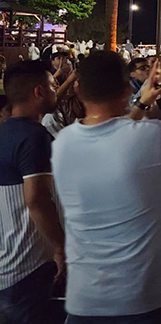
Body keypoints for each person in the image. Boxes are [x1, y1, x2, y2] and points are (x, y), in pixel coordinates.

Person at [52, 52, 161, 322]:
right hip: (144, 300)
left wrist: (141, 103)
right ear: (127, 88)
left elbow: (114, 137)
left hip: (84, 301)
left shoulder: (62, 144)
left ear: (78, 89)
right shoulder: (154, 135)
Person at [0, 61, 65, 323]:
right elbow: (36, 199)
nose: (57, 88)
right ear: (39, 92)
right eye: (53, 85)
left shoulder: (5, 133)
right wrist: (61, 247)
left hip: (7, 262)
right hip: (27, 265)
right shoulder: (34, 137)